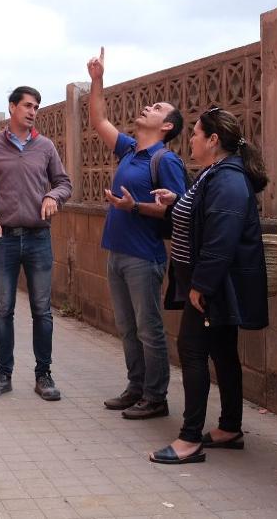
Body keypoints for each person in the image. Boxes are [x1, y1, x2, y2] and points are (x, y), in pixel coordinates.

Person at [147, 108, 268, 464]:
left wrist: (201, 286)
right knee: (223, 352)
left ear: (213, 140)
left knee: (193, 350)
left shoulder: (228, 180)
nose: (192, 141)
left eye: (197, 134)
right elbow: (202, 217)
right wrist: (175, 203)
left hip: (212, 287)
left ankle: (189, 440)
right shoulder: (214, 173)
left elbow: (221, 240)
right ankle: (229, 427)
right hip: (208, 284)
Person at [85, 47, 187, 420]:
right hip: (117, 252)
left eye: (157, 108)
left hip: (145, 257)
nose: (148, 107)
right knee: (127, 328)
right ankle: (136, 387)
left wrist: (135, 207)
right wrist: (97, 80)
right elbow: (99, 119)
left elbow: (177, 208)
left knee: (149, 329)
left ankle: (156, 397)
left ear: (167, 127)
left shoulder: (166, 160)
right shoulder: (129, 150)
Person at [0, 86, 73, 401]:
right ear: (12, 107)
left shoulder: (45, 147)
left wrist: (53, 196)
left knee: (42, 311)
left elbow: (64, 183)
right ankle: (3, 375)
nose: (32, 111)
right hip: (4, 240)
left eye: (36, 107)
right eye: (27, 105)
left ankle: (44, 375)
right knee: (3, 309)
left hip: (39, 239)